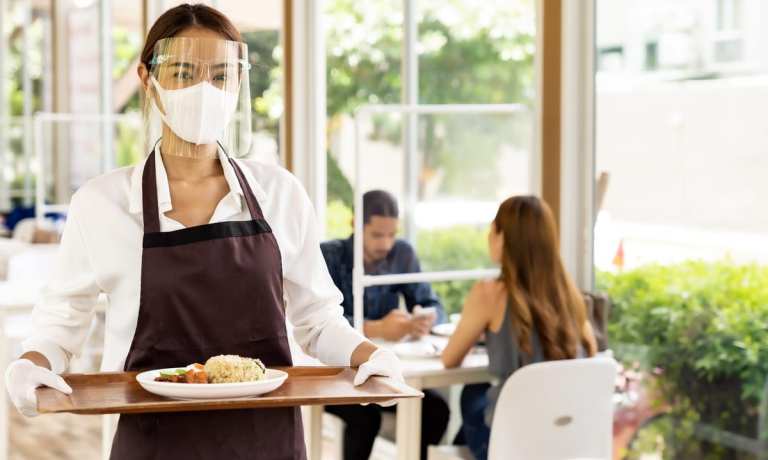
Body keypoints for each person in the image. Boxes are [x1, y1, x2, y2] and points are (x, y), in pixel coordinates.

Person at [3, 5, 401, 459]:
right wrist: (30, 365)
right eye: (184, 72)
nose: (203, 90)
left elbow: (317, 320)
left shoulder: (280, 194)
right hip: (153, 443)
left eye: (220, 75)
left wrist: (368, 356)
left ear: (237, 85)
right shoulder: (102, 203)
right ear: (148, 81)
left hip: (266, 442)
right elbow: (61, 324)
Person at [442, 195, 598, 460]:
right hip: (567, 438)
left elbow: (450, 359)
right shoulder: (569, 295)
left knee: (473, 393)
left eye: (493, 230)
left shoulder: (489, 293)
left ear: (503, 238)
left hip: (514, 442)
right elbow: (591, 356)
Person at [320, 189, 449, 460]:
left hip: (387, 371)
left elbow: (434, 305)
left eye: (391, 235)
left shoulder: (402, 254)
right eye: (377, 235)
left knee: (435, 409)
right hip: (336, 374)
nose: (386, 244)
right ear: (356, 224)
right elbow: (316, 324)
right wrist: (376, 328)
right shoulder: (329, 256)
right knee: (366, 416)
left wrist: (425, 317)